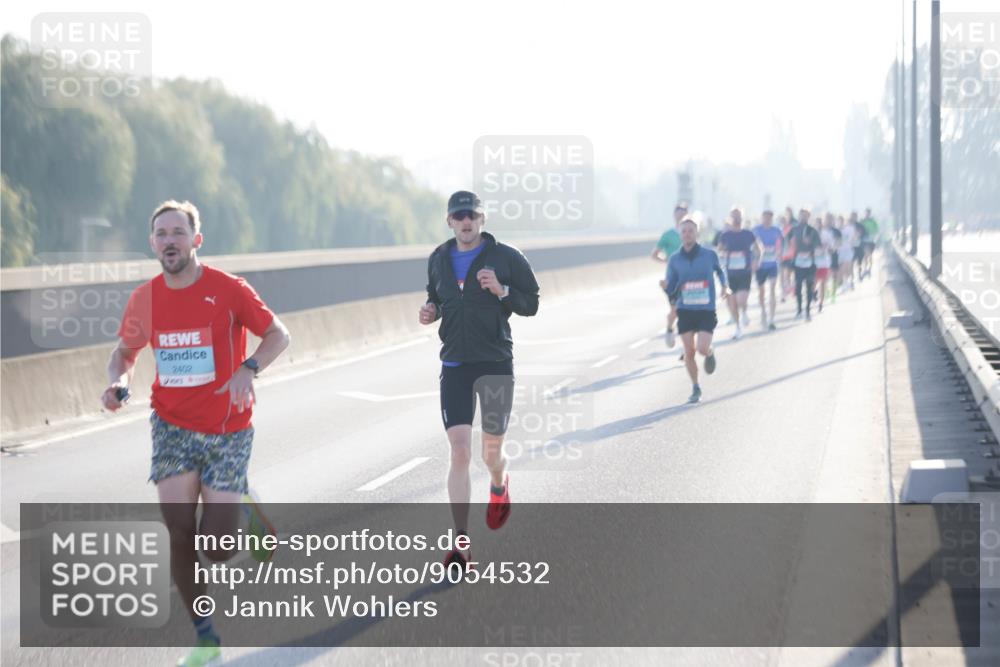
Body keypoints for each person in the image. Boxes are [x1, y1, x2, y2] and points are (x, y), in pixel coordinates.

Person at [102, 200, 291, 667]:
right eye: (161, 234)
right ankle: (205, 636)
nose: (169, 241)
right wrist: (118, 382)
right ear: (152, 243)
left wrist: (249, 368)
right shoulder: (144, 298)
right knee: (180, 532)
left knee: (218, 548)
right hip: (170, 426)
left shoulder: (228, 290)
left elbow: (278, 335)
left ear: (196, 240)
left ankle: (245, 506)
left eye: (178, 232)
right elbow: (124, 353)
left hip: (228, 430)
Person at [419, 190, 540, 572]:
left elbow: (532, 302)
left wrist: (502, 290)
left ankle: (500, 482)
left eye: (471, 215)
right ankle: (461, 544)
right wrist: (431, 310)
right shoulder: (438, 259)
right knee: (458, 450)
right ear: (450, 222)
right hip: (455, 363)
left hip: (495, 363)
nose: (465, 221)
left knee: (491, 451)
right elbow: (436, 298)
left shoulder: (505, 257)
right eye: (459, 216)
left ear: (482, 219)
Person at [666, 218, 730, 403]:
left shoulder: (709, 255)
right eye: (684, 231)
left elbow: (720, 271)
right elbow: (671, 285)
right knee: (689, 352)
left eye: (691, 231)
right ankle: (696, 387)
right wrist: (667, 287)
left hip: (705, 309)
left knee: (701, 349)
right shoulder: (675, 259)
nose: (687, 234)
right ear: (680, 234)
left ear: (697, 233)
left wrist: (725, 287)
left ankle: (709, 353)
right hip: (685, 309)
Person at [717, 207, 757, 339]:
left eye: (739, 216)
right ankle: (738, 327)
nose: (736, 219)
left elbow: (759, 248)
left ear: (742, 218)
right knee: (732, 303)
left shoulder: (748, 234)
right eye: (734, 216)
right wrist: (724, 255)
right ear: (730, 218)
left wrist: (757, 261)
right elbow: (720, 250)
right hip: (730, 272)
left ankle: (744, 312)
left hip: (744, 271)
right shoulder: (725, 235)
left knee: (741, 300)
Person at [653, 203, 688, 348]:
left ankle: (685, 349)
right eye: (678, 213)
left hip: (689, 278)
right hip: (672, 278)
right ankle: (669, 328)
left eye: (683, 213)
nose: (681, 216)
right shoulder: (668, 235)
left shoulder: (691, 232)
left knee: (688, 312)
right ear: (674, 215)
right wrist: (667, 260)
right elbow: (654, 254)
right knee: (675, 310)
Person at [786, 208, 822, 321]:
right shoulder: (794, 229)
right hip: (798, 261)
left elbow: (818, 246)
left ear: (808, 217)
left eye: (805, 216)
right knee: (798, 286)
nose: (803, 218)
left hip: (810, 261)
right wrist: (791, 246)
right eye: (801, 215)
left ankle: (807, 310)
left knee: (809, 286)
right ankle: (799, 310)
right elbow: (786, 239)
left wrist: (810, 243)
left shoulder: (813, 231)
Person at [752, 209, 782, 330]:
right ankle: (763, 311)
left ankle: (772, 318)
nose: (767, 219)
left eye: (769, 217)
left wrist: (779, 253)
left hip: (773, 264)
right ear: (762, 218)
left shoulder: (776, 230)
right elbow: (751, 246)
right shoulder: (756, 230)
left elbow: (781, 244)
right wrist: (754, 259)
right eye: (765, 217)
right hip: (760, 265)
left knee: (773, 289)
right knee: (761, 291)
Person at [860, 207, 879, 278]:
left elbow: (877, 230)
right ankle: (865, 269)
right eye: (866, 212)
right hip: (864, 240)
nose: (867, 214)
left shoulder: (873, 221)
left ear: (870, 213)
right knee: (865, 255)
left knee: (870, 255)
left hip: (871, 240)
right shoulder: (862, 221)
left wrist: (873, 234)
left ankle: (869, 269)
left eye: (868, 212)